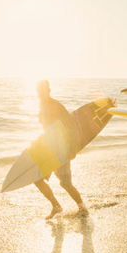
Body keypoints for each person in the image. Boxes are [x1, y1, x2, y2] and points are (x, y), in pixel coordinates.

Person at [33, 80, 87, 219]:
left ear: (49, 90)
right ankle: (56, 206)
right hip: (48, 149)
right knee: (37, 179)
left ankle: (82, 208)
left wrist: (73, 148)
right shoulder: (41, 106)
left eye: (42, 90)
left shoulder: (56, 105)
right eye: (38, 90)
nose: (40, 93)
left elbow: (72, 126)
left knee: (65, 184)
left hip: (61, 150)